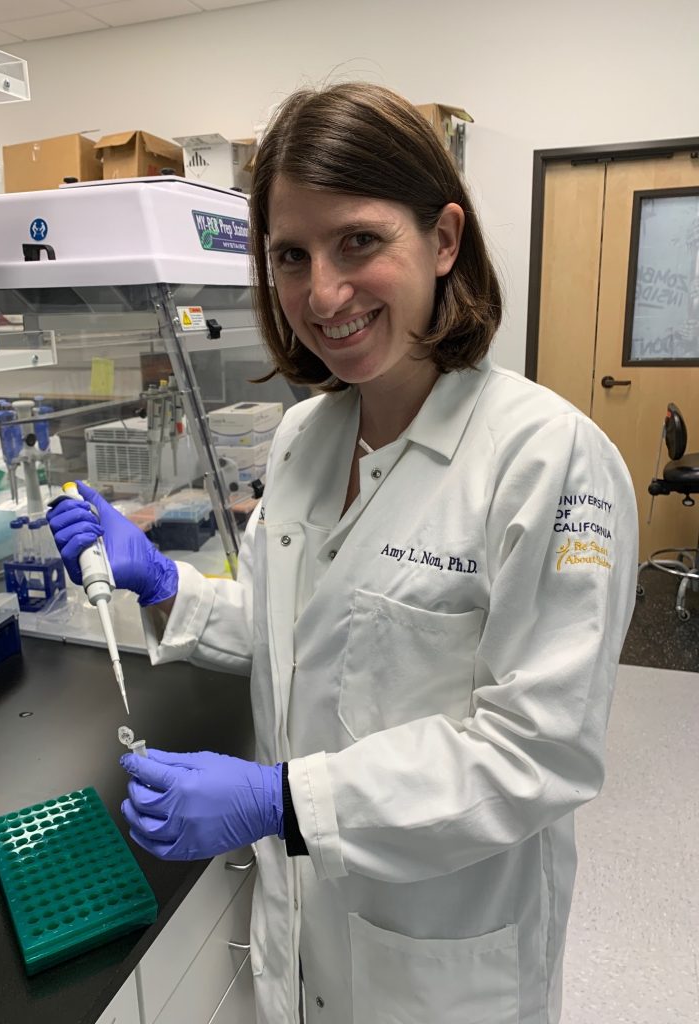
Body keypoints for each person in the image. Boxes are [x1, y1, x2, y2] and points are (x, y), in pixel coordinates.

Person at [46, 82, 638, 1024]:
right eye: (291, 255)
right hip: (304, 935)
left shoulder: (547, 461)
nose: (322, 294)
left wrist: (282, 801)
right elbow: (307, 633)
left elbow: (538, 753)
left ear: (443, 241)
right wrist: (169, 586)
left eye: (358, 241)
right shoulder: (306, 438)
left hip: (442, 961)